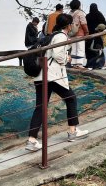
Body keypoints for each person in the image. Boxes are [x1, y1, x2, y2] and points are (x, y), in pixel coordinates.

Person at [26, 13, 89, 151]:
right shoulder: (61, 36)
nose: (73, 26)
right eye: (72, 24)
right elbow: (58, 56)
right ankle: (73, 131)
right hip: (52, 76)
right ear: (68, 25)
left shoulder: (50, 36)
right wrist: (68, 59)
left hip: (41, 76)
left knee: (41, 107)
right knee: (71, 98)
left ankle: (32, 140)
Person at [69, 0, 89, 69]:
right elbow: (83, 23)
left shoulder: (69, 14)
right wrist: (86, 32)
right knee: (80, 49)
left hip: (72, 33)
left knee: (74, 49)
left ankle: (73, 63)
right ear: (78, 5)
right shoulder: (80, 13)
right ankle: (79, 63)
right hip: (80, 33)